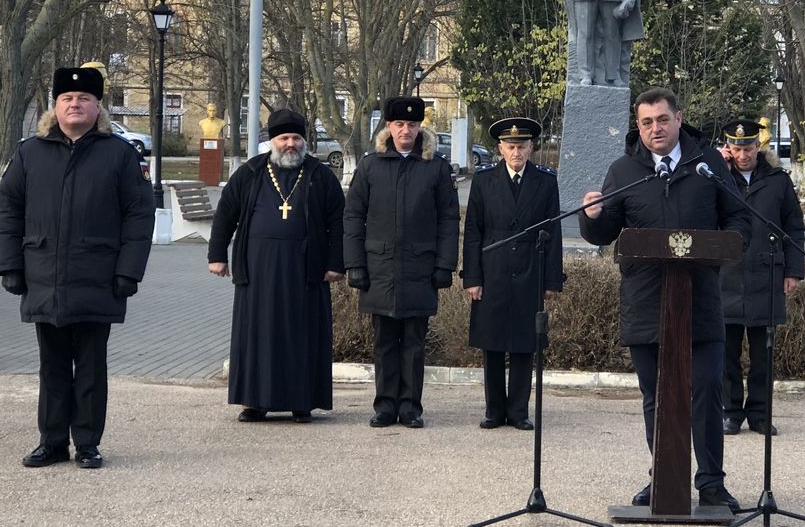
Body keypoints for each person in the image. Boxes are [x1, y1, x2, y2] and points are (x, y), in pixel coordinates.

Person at [579, 87, 751, 514]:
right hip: (647, 302)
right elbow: (604, 235)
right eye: (646, 122)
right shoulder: (624, 171)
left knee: (707, 388)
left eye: (662, 119)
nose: (655, 128)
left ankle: (711, 483)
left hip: (701, 302)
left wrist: (729, 246)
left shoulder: (708, 163)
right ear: (638, 128)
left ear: (678, 118)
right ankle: (664, 476)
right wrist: (592, 217)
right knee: (655, 396)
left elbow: (738, 217)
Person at [0, 67, 155, 469]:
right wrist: (9, 265)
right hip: (43, 274)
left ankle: (86, 442)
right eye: (67, 98)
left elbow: (139, 215)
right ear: (56, 106)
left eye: (83, 99)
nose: (75, 104)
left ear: (97, 106)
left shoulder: (118, 154)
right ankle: (51, 442)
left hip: (98, 277)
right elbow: (9, 209)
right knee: (51, 366)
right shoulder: (31, 152)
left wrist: (128, 271)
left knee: (90, 366)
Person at [207, 108, 345, 423]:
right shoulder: (251, 172)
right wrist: (216, 255)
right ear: (272, 141)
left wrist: (336, 263)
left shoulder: (320, 175)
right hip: (259, 271)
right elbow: (226, 213)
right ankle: (255, 402)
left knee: (302, 334)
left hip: (305, 271)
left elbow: (338, 222)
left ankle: (302, 402)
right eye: (284, 138)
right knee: (258, 334)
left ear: (304, 141)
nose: (290, 144)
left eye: (296, 138)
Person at [344, 96, 459, 429]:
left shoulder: (435, 167)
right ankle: (384, 406)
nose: (405, 130)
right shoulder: (371, 165)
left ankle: (410, 407)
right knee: (383, 342)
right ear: (388, 127)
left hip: (419, 268)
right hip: (378, 267)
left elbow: (449, 219)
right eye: (399, 124)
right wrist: (355, 264)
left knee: (413, 342)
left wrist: (444, 265)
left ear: (420, 126)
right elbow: (353, 216)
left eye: (411, 124)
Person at [462, 117, 564, 430]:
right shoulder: (484, 180)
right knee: (492, 343)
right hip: (492, 270)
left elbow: (554, 232)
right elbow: (473, 233)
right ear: (500, 148)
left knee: (524, 343)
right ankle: (494, 410)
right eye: (510, 146)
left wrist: (551, 279)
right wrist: (472, 278)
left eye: (521, 146)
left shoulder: (546, 181)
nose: (516, 152)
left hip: (530, 269)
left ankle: (519, 411)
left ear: (532, 147)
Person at [717, 118, 805, 437]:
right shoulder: (717, 178)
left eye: (748, 147)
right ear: (729, 148)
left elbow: (794, 226)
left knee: (763, 355)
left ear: (758, 147)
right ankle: (730, 413)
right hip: (726, 276)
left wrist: (794, 271)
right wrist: (718, 168)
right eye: (737, 148)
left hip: (766, 277)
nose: (743, 155)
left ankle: (759, 414)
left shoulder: (778, 181)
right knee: (726, 354)